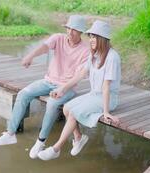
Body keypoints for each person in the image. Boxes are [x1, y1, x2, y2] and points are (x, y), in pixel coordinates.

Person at [0, 15, 90, 159]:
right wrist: (30, 56)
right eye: (69, 28)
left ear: (80, 32)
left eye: (74, 30)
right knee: (23, 94)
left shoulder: (85, 50)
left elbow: (80, 75)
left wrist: (62, 89)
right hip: (48, 81)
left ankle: (40, 141)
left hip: (67, 86)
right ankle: (10, 134)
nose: (70, 32)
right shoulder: (58, 38)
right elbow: (44, 47)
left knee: (52, 104)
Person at [37, 20, 122, 161]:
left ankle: (56, 148)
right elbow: (81, 75)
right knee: (66, 108)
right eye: (90, 36)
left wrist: (106, 112)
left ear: (103, 39)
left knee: (74, 113)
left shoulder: (112, 57)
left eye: (95, 37)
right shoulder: (94, 55)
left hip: (107, 98)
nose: (91, 40)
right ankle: (78, 137)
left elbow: (106, 86)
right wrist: (62, 89)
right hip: (94, 95)